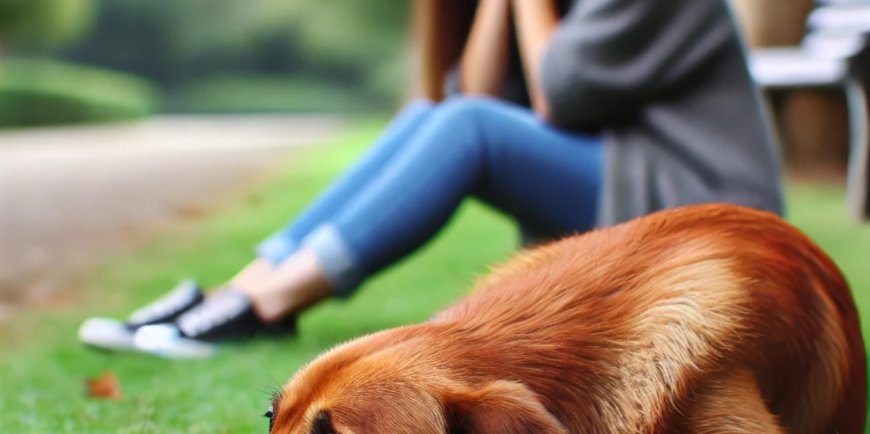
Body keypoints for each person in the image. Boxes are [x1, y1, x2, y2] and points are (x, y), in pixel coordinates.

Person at [79, 0, 783, 358]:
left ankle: (267, 305)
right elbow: (467, 94)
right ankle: (246, 289)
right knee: (432, 114)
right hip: (628, 188)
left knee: (466, 126)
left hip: (701, 210)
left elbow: (553, 100)